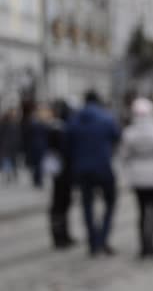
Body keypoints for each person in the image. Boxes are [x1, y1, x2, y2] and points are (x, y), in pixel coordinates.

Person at [66, 91, 120, 257]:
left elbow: (67, 144)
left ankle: (92, 241)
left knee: (87, 205)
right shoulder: (106, 117)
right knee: (110, 202)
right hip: (103, 167)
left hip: (82, 169)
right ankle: (102, 238)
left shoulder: (74, 119)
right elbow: (117, 136)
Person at [119, 98, 153, 260]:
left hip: (137, 177)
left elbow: (124, 155)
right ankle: (152, 242)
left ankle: (144, 244)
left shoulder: (129, 132)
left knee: (142, 211)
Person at [47, 101, 77, 249]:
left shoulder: (60, 127)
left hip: (63, 172)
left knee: (63, 203)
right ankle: (59, 236)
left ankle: (63, 234)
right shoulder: (58, 128)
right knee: (60, 204)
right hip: (61, 172)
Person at [0, 108, 21, 184]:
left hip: (12, 146)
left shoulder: (15, 124)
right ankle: (9, 175)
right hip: (6, 146)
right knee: (7, 161)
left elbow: (18, 135)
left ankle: (13, 174)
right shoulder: (4, 124)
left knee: (13, 161)